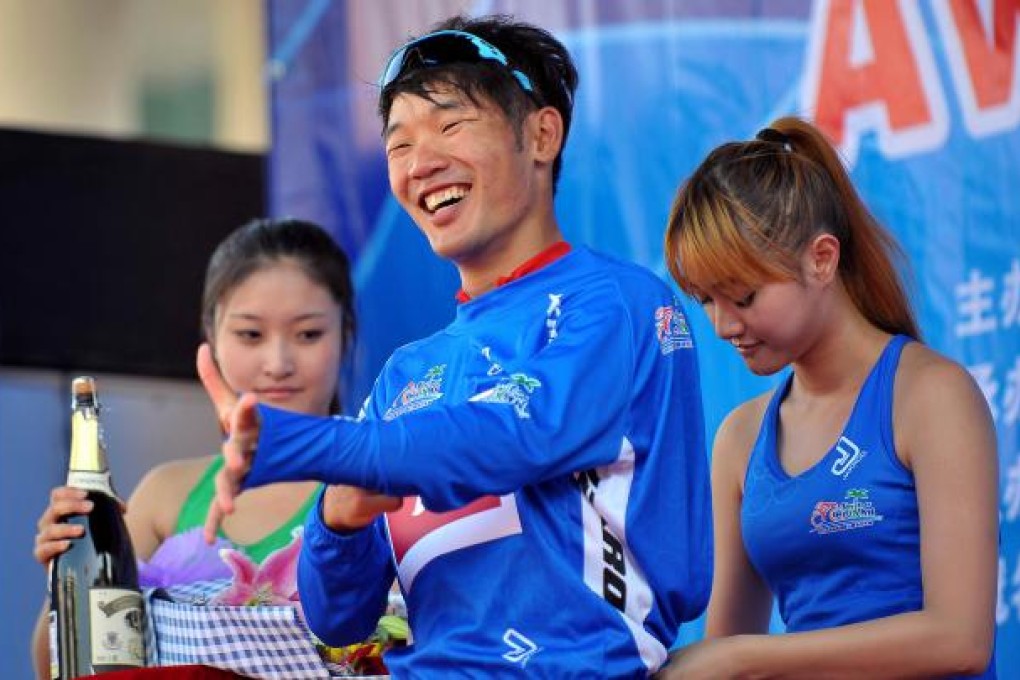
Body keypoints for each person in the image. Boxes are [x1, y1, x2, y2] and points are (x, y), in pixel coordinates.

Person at [197, 14, 712, 678]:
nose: (421, 163)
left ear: (541, 134)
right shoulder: (408, 372)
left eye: (449, 126)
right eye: (398, 144)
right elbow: (337, 617)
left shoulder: (615, 302)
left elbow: (509, 435)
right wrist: (339, 513)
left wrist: (298, 444)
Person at [657, 117, 999, 679]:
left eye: (742, 296)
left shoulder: (931, 397)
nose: (722, 325)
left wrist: (747, 657)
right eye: (705, 301)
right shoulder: (740, 439)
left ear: (821, 258)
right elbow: (723, 659)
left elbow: (959, 638)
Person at [31, 217, 357, 678]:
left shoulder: (377, 486)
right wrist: (64, 577)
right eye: (250, 334)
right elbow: (63, 668)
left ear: (345, 334)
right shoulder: (166, 493)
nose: (278, 363)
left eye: (308, 334)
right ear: (212, 339)